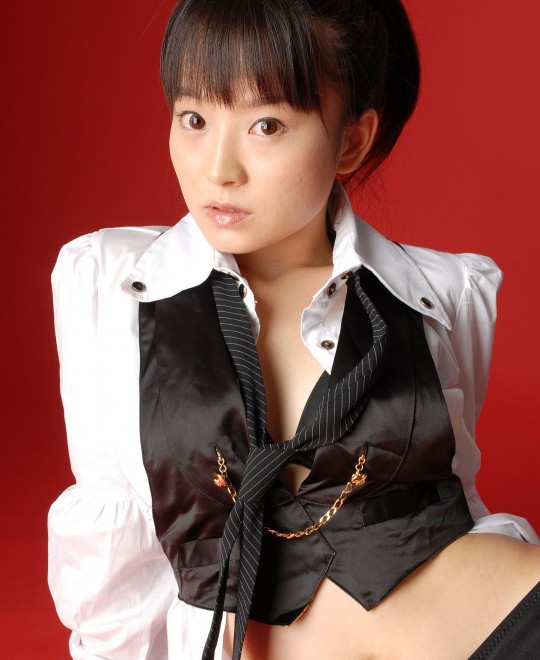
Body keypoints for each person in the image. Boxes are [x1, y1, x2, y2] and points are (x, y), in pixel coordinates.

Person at [48, 1, 540, 658]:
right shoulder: (110, 284)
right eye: (194, 119)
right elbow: (115, 553)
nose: (218, 168)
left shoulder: (443, 294)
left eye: (267, 125)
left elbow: (454, 502)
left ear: (352, 141)